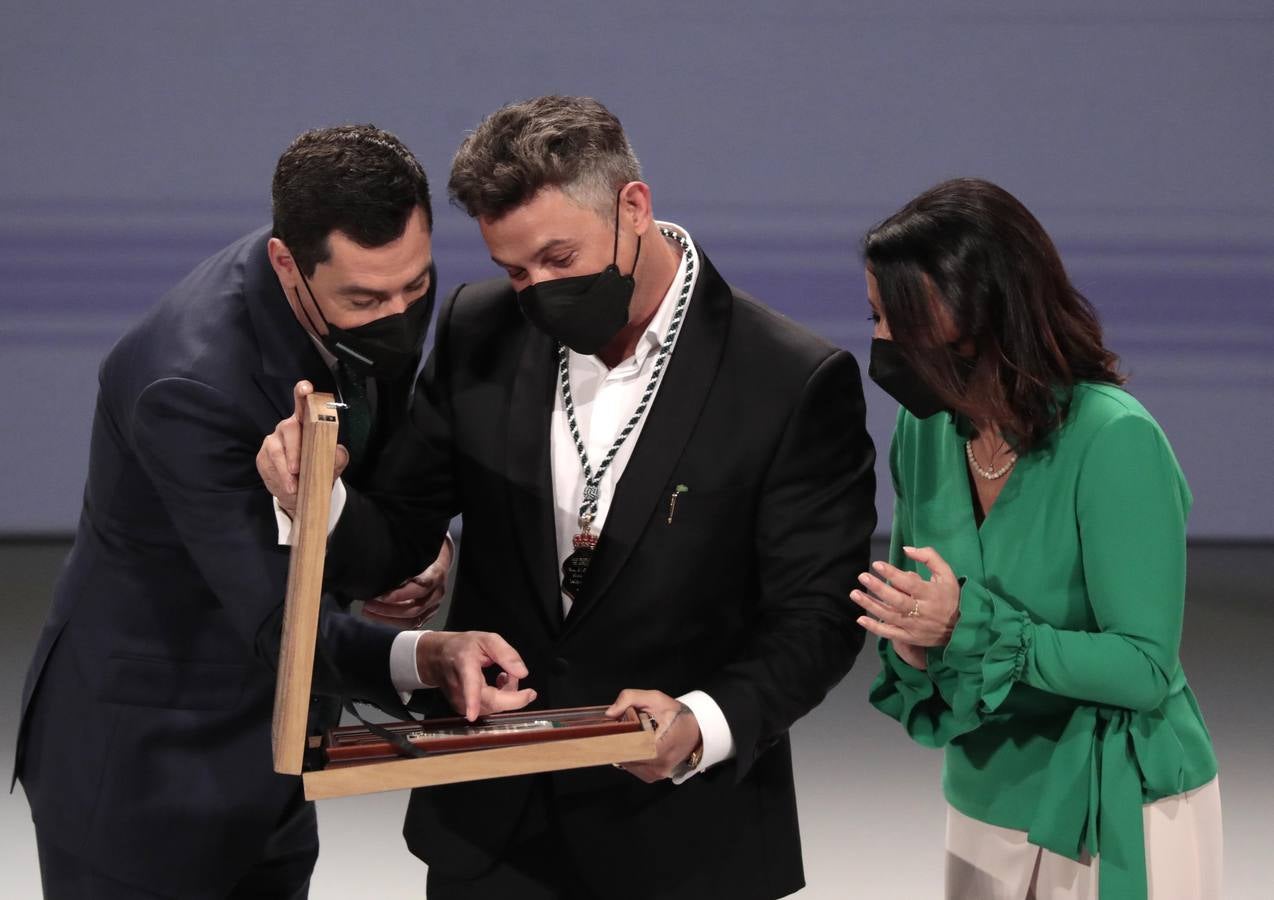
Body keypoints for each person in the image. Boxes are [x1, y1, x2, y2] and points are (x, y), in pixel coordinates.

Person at [260, 95, 877, 900]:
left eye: (559, 258)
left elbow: (818, 616)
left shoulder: (788, 379)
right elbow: (402, 528)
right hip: (490, 833)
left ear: (633, 207)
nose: (537, 290)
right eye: (515, 270)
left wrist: (703, 721)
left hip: (683, 842)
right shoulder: (481, 326)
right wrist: (318, 502)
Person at [14, 125, 533, 899]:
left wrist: (415, 551)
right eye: (365, 298)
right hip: (146, 768)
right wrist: (420, 656)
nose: (397, 313)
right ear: (288, 263)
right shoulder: (188, 386)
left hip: (279, 746)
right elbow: (275, 625)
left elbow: (383, 476)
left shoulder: (365, 283)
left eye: (415, 287)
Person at [849, 177, 1221, 899]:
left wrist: (966, 628)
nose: (881, 343)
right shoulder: (922, 429)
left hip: (1116, 808)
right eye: (874, 317)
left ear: (982, 315)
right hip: (985, 797)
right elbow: (928, 623)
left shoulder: (1115, 439)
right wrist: (917, 643)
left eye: (901, 319)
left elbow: (1143, 668)